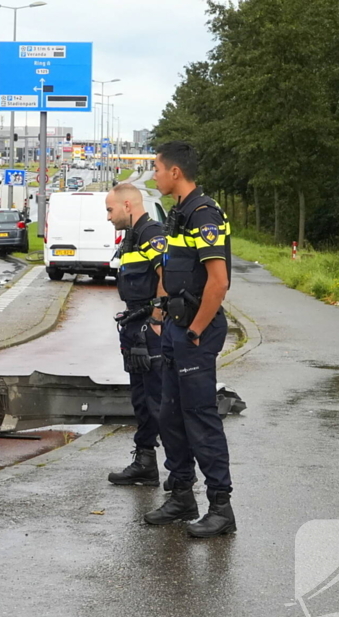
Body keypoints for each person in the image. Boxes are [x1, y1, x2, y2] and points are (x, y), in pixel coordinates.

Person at [143, 141, 236, 537]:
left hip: (197, 330)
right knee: (170, 414)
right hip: (177, 329)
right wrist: (162, 315)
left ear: (175, 172)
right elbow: (174, 273)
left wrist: (195, 330)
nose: (154, 176)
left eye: (157, 169)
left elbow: (219, 282)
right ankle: (182, 495)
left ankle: (221, 507)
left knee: (200, 418)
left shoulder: (203, 215)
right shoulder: (178, 214)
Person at [105, 183, 168, 486]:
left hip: (148, 328)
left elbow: (166, 274)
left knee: (158, 400)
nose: (108, 217)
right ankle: (145, 462)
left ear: (127, 205)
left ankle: (180, 473)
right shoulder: (132, 236)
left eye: (110, 209)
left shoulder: (151, 234)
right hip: (134, 326)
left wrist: (156, 318)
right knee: (142, 400)